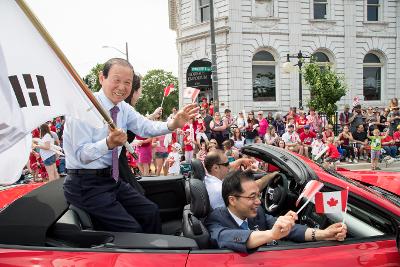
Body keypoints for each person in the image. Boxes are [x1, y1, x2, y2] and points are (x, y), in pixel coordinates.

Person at [63, 58, 198, 234]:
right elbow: (81, 154)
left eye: (127, 82)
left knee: (151, 212)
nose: (122, 87)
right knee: (132, 230)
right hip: (85, 183)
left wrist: (172, 124)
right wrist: (108, 143)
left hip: (110, 179)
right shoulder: (83, 108)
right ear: (101, 78)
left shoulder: (123, 108)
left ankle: (155, 257)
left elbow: (146, 126)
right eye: (116, 80)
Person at [205, 170, 347, 253]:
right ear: (232, 200)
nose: (259, 202)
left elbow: (290, 230)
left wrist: (324, 234)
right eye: (252, 197)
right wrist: (272, 234)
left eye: (258, 195)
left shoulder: (257, 212)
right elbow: (227, 237)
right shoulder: (215, 219)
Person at [204, 150, 279, 209]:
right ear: (215, 168)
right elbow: (253, 188)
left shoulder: (209, 179)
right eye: (227, 164)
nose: (229, 166)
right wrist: (271, 175)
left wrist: (241, 161)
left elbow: (230, 167)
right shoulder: (219, 188)